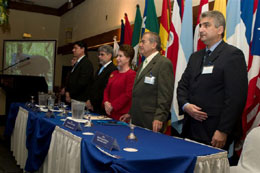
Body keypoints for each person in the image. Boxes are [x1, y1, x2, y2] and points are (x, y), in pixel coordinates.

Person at [177, 11, 248, 150]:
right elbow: (182, 86)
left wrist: (223, 130)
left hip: (214, 131)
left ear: (220, 29)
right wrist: (186, 106)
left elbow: (236, 98)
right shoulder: (195, 56)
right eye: (200, 25)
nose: (201, 29)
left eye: (206, 25)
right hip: (191, 127)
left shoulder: (232, 55)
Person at [120, 32, 174, 133]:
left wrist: (159, 117)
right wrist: (130, 113)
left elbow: (165, 95)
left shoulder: (163, 63)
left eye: (143, 42)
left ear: (154, 45)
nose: (140, 45)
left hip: (151, 120)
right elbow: (139, 92)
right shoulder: (142, 64)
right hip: (137, 118)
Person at [103, 44, 136, 120]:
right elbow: (106, 90)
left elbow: (128, 95)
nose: (117, 58)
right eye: (117, 56)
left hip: (121, 116)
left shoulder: (132, 75)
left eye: (120, 56)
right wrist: (106, 102)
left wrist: (113, 106)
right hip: (108, 113)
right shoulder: (113, 73)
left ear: (128, 58)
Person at [86, 45, 117, 114]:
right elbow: (93, 86)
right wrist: (89, 100)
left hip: (101, 107)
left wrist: (94, 103)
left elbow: (105, 89)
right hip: (94, 106)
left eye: (102, 54)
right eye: (99, 54)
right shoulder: (99, 69)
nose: (99, 56)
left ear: (109, 55)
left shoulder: (113, 70)